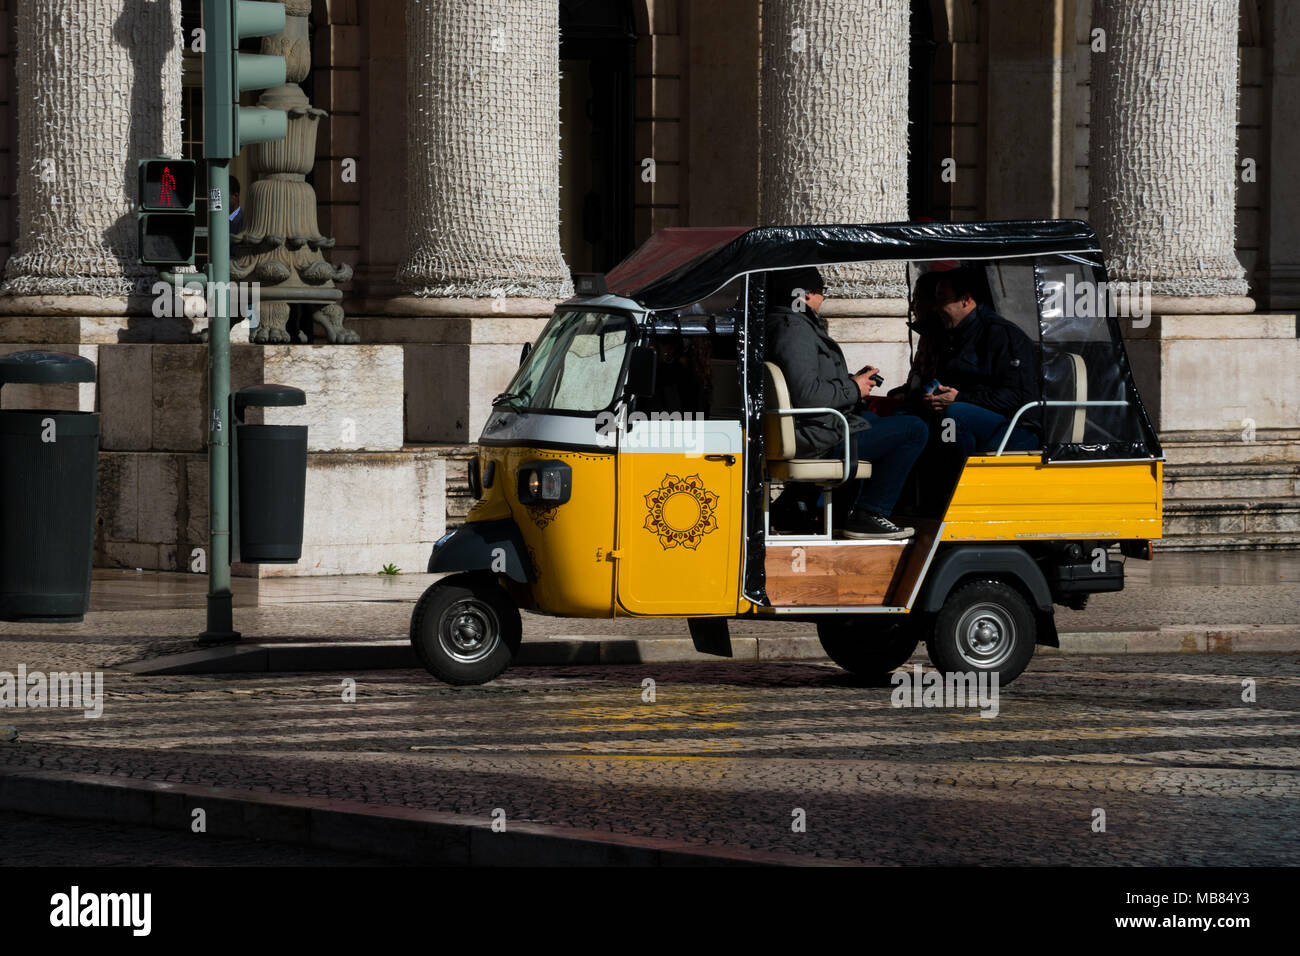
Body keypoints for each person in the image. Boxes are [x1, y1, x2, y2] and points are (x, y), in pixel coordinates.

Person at [765, 267, 928, 540]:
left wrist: (853, 382)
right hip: (815, 435)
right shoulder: (794, 329)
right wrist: (853, 388)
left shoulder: (782, 323)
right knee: (914, 429)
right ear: (806, 295)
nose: (823, 300)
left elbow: (804, 382)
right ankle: (869, 513)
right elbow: (807, 394)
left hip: (812, 428)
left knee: (876, 422)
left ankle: (802, 506)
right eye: (821, 294)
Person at [905, 266, 1041, 456]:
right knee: (908, 420)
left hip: (1013, 428)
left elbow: (1016, 396)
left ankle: (955, 476)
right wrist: (934, 396)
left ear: (966, 300)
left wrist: (959, 398)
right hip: (970, 418)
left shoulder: (1001, 335)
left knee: (952, 416)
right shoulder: (950, 335)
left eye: (942, 299)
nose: (936, 307)